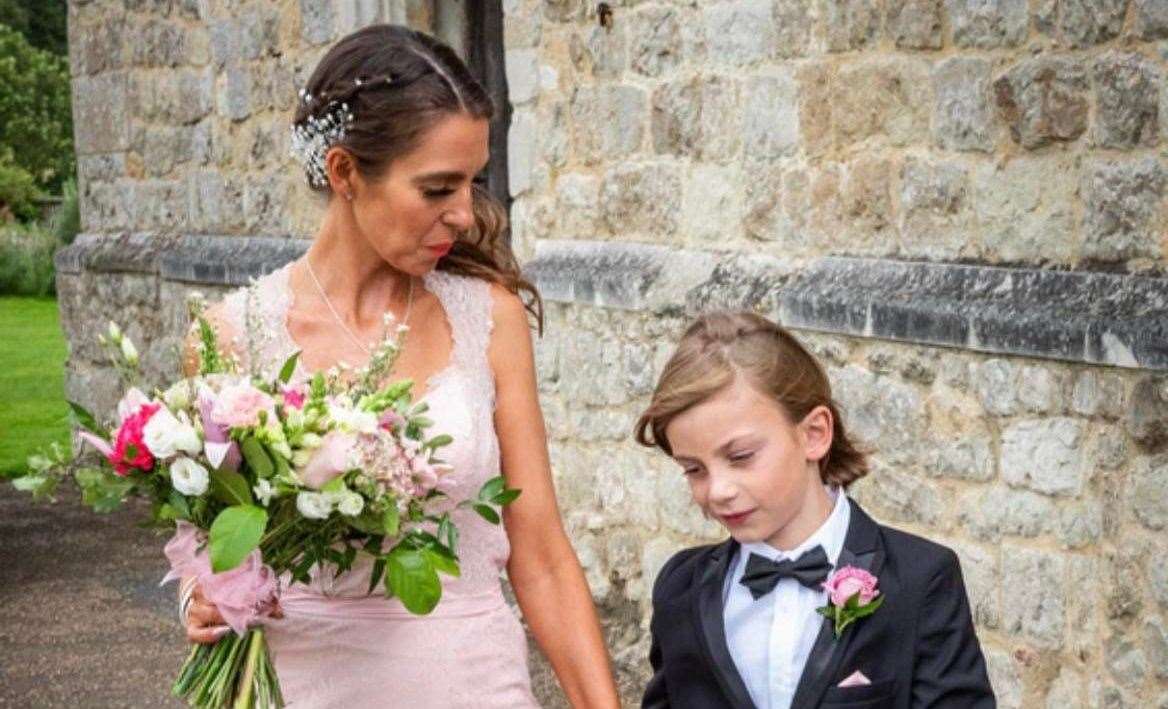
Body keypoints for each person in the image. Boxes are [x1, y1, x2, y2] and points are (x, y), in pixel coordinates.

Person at [180, 24, 619, 708]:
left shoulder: (489, 318)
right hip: (299, 684)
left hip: (471, 679)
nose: (466, 215)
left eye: (474, 183)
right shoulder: (233, 334)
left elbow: (542, 555)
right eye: (438, 188)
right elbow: (208, 536)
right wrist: (201, 594)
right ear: (344, 171)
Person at [635, 311, 994, 709]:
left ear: (814, 434)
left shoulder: (918, 579)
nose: (718, 490)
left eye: (740, 457)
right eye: (693, 469)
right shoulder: (680, 588)